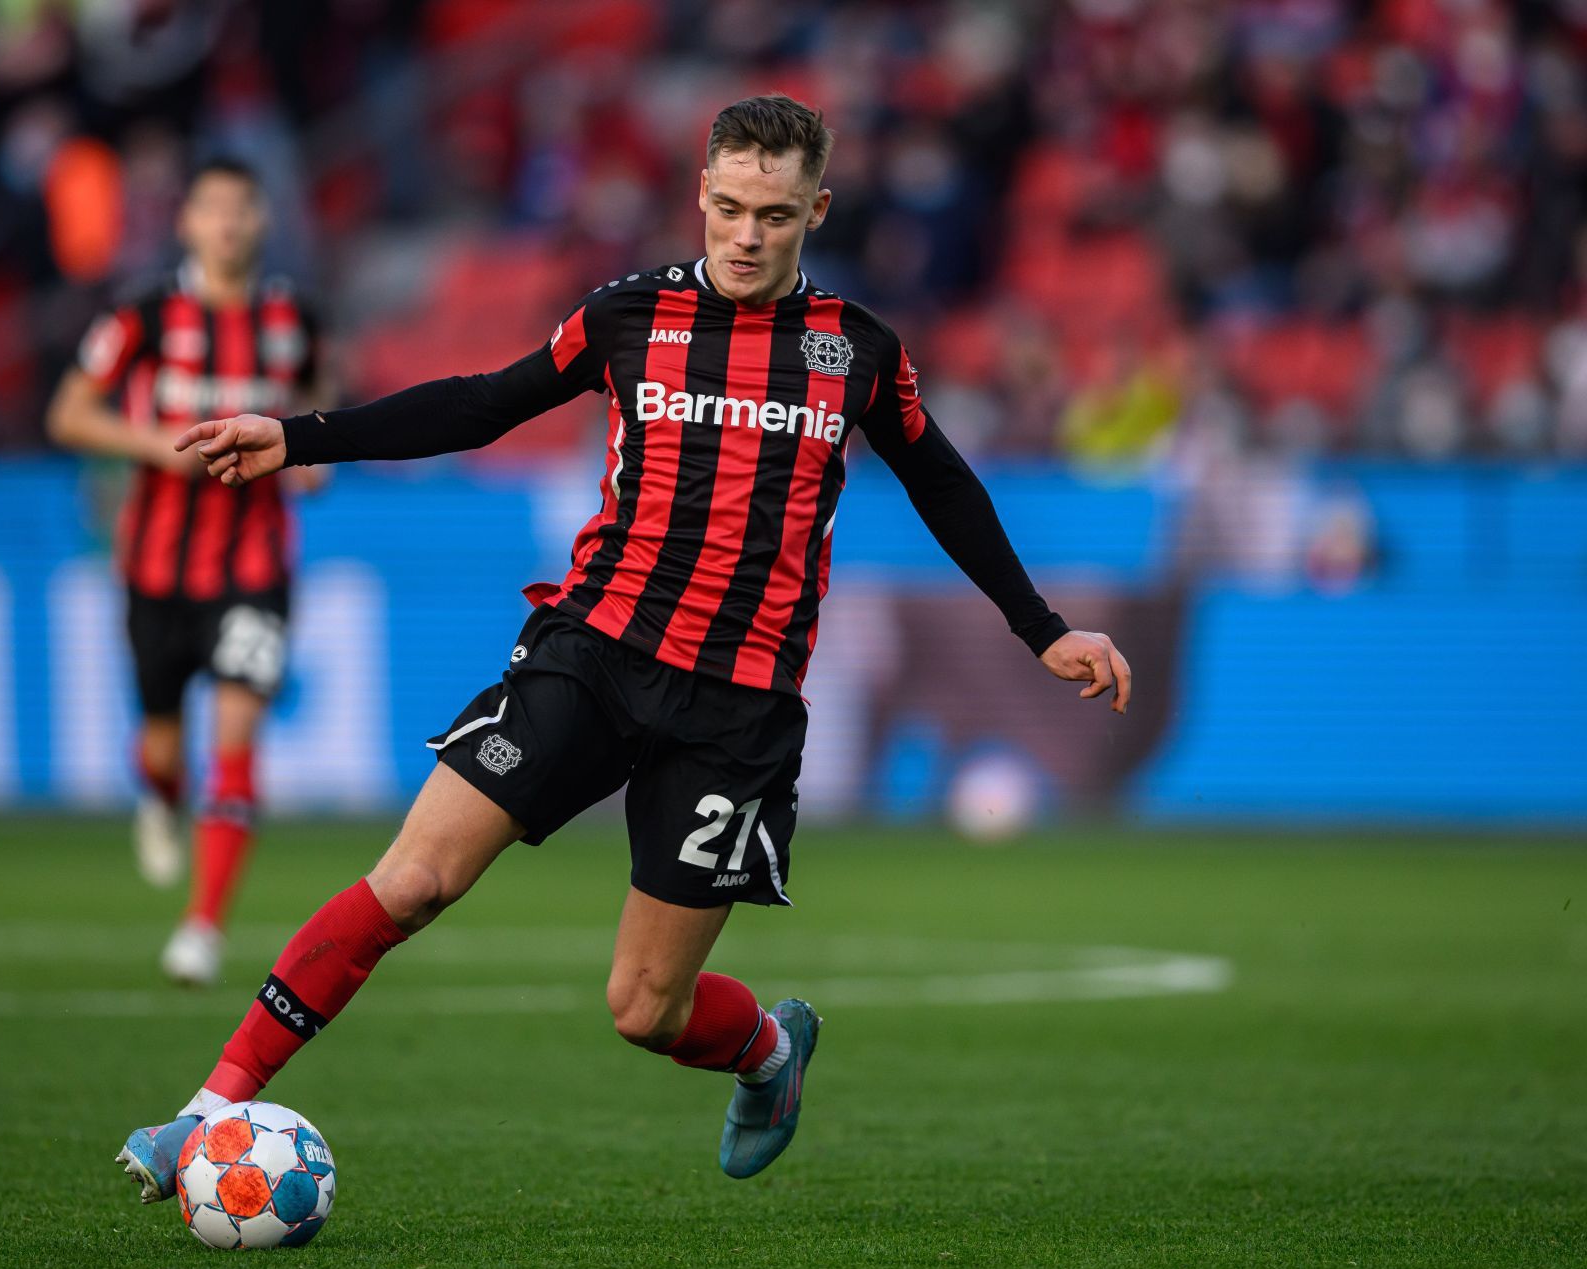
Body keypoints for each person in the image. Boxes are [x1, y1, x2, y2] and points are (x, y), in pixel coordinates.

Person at [117, 95, 1131, 1193]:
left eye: (775, 215)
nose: (746, 235)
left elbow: (943, 484)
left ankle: (770, 1055)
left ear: (817, 211)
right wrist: (300, 435)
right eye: (731, 207)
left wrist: (1042, 630)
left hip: (739, 705)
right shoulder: (629, 315)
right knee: (412, 878)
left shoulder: (859, 353)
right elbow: (483, 404)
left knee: (645, 1009)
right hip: (591, 650)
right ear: (700, 193)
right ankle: (208, 1108)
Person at [47, 157, 328, 986]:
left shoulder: (293, 316)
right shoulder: (144, 311)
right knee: (162, 747)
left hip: (255, 566)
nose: (229, 224)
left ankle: (202, 927)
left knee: (235, 738)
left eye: (243, 209)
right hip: (157, 568)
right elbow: (66, 413)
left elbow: (321, 398)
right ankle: (160, 797)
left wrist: (313, 458)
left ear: (263, 220)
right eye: (213, 209)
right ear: (187, 223)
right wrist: (154, 448)